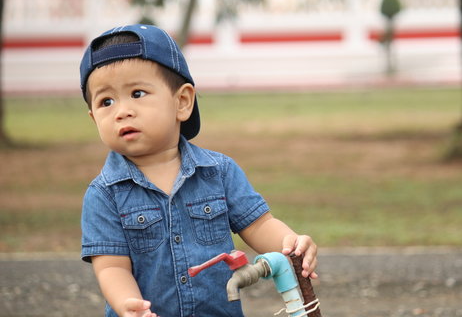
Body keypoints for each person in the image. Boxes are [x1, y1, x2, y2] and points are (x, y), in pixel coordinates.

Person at [79, 24, 318, 317]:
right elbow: (112, 266)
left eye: (137, 93)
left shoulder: (218, 172)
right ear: (93, 117)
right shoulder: (104, 194)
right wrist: (128, 304)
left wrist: (291, 243)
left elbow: (258, 225)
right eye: (106, 101)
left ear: (182, 102)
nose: (122, 110)